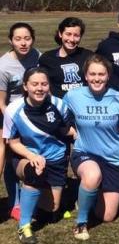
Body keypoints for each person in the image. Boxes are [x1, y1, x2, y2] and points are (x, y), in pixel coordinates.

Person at [4, 68, 73, 244]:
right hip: (26, 157)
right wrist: (31, 155)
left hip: (55, 160)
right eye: (34, 84)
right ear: (25, 86)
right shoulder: (13, 109)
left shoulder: (59, 105)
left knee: (51, 212)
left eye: (44, 84)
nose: (39, 88)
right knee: (35, 172)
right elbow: (12, 142)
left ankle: (34, 201)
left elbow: (66, 130)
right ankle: (24, 226)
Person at [64, 55, 119, 240]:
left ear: (108, 76)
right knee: (92, 175)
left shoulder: (118, 98)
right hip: (85, 152)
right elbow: (59, 116)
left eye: (101, 74)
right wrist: (71, 132)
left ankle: (86, 196)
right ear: (85, 75)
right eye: (92, 74)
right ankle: (81, 222)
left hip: (113, 158)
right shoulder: (73, 95)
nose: (97, 78)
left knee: (106, 216)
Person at [0, 22, 41, 221]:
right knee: (9, 157)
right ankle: (14, 203)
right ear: (11, 41)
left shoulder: (37, 57)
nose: (23, 43)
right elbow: (1, 102)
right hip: (8, 116)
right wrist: (15, 121)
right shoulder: (3, 65)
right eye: (18, 39)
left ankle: (35, 196)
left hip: (33, 114)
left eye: (27, 38)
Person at [39, 17, 93, 98]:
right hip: (59, 105)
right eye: (68, 34)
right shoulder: (47, 59)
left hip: (84, 103)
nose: (72, 39)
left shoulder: (89, 56)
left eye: (76, 35)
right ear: (60, 34)